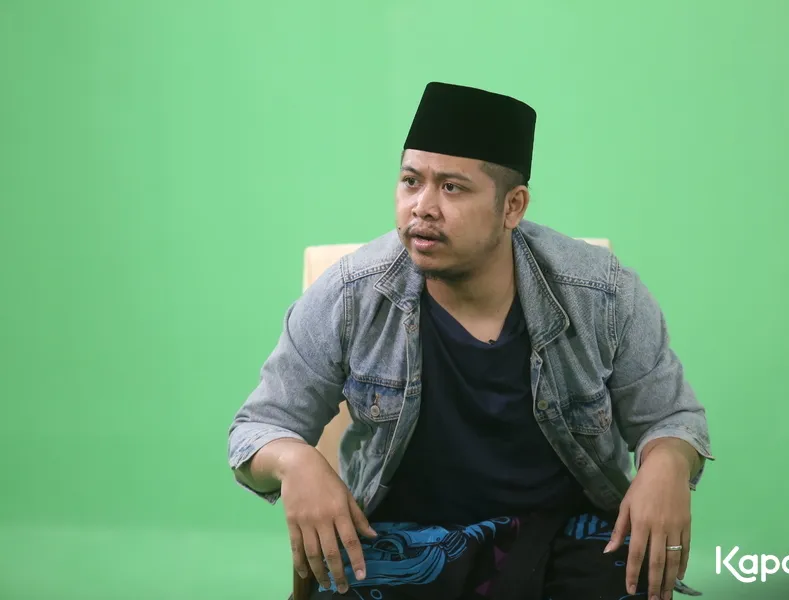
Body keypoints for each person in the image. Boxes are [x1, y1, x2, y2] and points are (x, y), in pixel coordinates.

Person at [228, 82, 714, 600]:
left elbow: (671, 418)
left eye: (453, 188)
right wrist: (295, 461)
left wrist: (668, 461)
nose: (422, 207)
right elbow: (257, 429)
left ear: (512, 207)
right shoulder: (351, 295)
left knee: (633, 581)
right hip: (406, 544)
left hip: (565, 538)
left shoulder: (602, 293)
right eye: (411, 181)